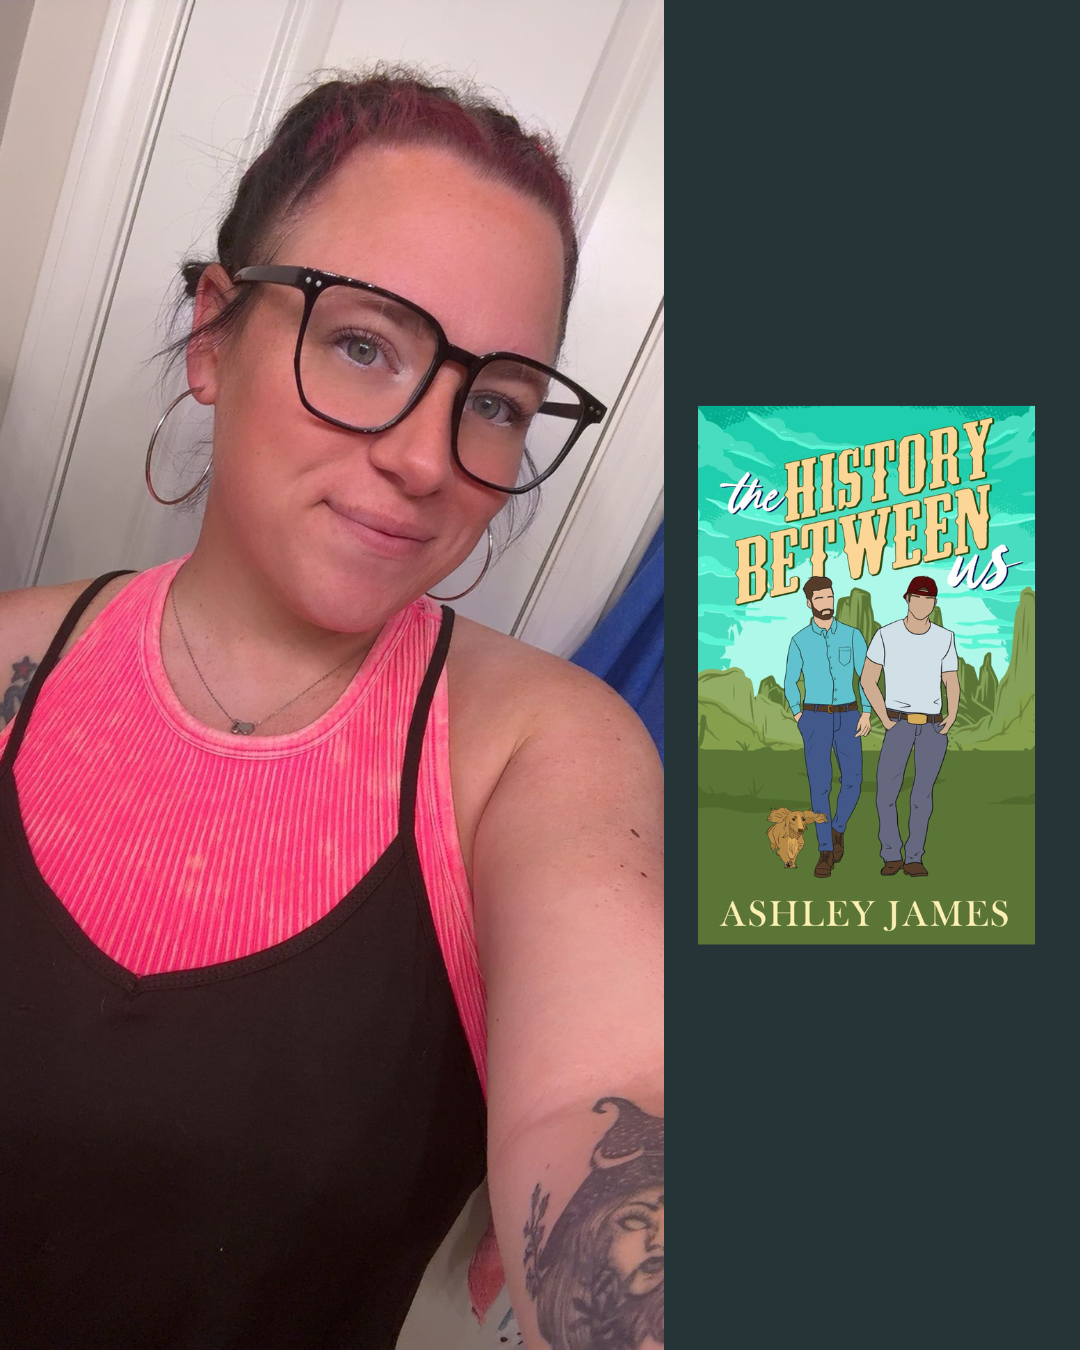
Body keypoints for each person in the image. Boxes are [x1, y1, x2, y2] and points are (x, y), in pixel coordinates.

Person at [0, 68, 663, 1350]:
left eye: (495, 402)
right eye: (364, 344)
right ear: (212, 335)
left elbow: (617, 1108)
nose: (427, 458)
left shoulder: (541, 754)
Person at [860, 575, 958, 877]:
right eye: (917, 597)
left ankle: (914, 856)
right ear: (907, 599)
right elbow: (868, 679)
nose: (923, 603)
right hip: (898, 725)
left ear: (934, 602)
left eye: (928, 599)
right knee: (886, 793)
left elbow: (950, 679)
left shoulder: (945, 637)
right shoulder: (886, 635)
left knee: (922, 795)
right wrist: (885, 718)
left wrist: (951, 714)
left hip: (932, 727)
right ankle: (891, 854)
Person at [783, 576, 871, 879]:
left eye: (829, 598)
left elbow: (866, 677)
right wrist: (798, 716)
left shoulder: (852, 635)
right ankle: (824, 852)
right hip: (815, 718)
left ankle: (838, 829)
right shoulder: (799, 640)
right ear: (809, 603)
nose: (826, 604)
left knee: (853, 780)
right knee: (819, 786)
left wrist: (868, 712)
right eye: (819, 599)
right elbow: (790, 681)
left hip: (848, 716)